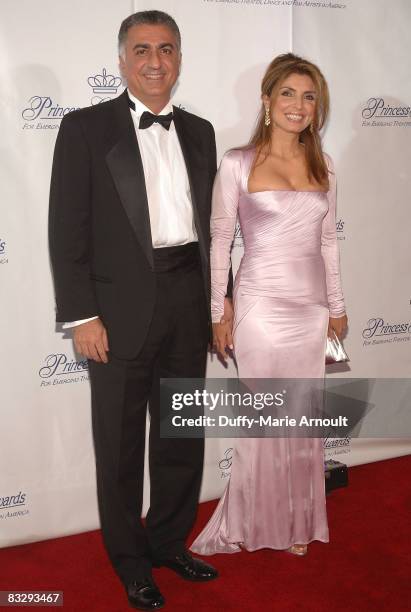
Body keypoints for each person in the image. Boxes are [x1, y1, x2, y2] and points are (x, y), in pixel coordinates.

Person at [49, 10, 232, 611]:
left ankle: (168, 542)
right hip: (118, 308)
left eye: (168, 49)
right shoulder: (84, 129)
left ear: (180, 57)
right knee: (122, 445)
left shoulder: (202, 132)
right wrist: (82, 316)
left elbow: (217, 231)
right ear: (122, 59)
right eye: (143, 50)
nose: (156, 61)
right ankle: (131, 563)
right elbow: (67, 230)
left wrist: (217, 304)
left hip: (187, 297)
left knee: (182, 434)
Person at [190, 53, 348, 557]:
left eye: (308, 96)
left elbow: (329, 244)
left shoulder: (323, 165)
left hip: (310, 310)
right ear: (266, 100)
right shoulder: (238, 163)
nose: (298, 105)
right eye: (288, 93)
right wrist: (219, 309)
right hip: (259, 306)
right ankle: (250, 525)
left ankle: (294, 525)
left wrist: (338, 306)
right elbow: (220, 243)